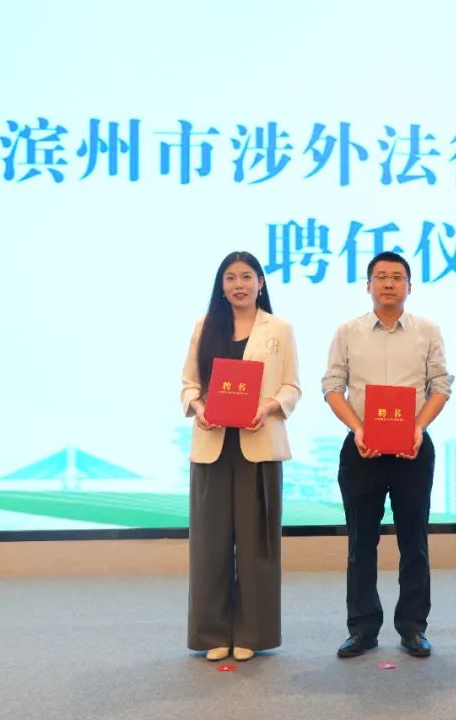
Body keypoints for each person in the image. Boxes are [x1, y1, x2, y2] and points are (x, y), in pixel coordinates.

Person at [321, 251, 452, 659]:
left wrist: (419, 428)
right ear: (368, 285)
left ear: (410, 286)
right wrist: (357, 429)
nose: (389, 283)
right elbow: (332, 387)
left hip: (413, 447)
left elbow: (440, 387)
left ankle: (413, 627)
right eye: (381, 277)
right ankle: (362, 628)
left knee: (415, 542)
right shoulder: (348, 331)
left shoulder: (427, 330)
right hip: (362, 448)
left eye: (397, 277)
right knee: (361, 543)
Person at [181, 250, 301, 662]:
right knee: (210, 546)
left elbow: (291, 387)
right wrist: (200, 409)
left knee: (257, 546)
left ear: (260, 283)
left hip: (259, 446)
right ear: (221, 285)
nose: (239, 285)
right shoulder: (205, 326)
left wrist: (267, 408)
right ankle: (212, 632)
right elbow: (188, 384)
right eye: (230, 278)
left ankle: (253, 632)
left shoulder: (279, 328)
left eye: (246, 277)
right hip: (213, 448)